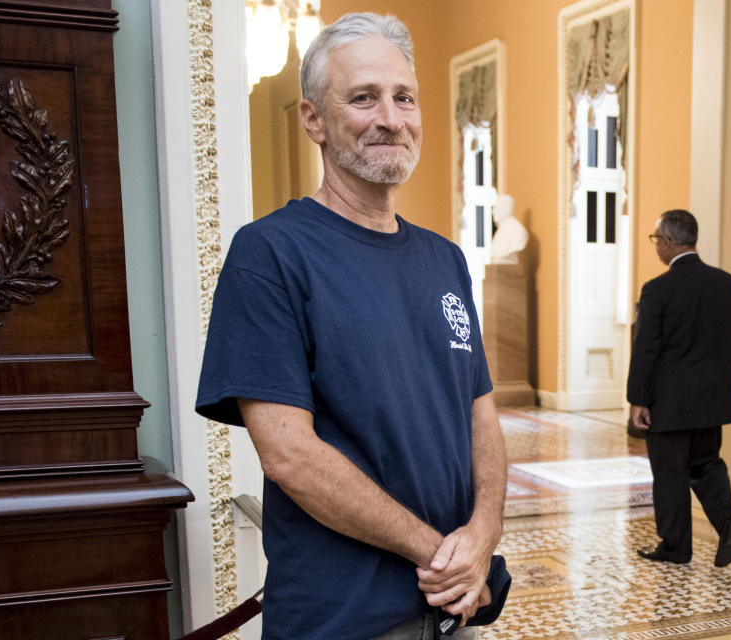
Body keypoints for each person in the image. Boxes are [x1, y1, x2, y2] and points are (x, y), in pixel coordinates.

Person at [196, 13, 509, 640]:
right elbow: (290, 455)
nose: (390, 118)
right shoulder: (269, 254)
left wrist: (481, 536)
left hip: (453, 610)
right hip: (343, 618)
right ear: (314, 119)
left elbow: (481, 416)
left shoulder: (445, 258)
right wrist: (437, 553)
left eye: (404, 98)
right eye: (363, 98)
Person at [627, 209, 731, 567]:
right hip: (712, 400)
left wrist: (637, 400)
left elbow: (646, 348)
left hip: (670, 403)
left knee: (670, 474)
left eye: (656, 240)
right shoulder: (725, 283)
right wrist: (725, 388)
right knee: (706, 464)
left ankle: (676, 547)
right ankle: (729, 521)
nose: (656, 247)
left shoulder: (658, 289)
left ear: (667, 241)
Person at [489, 194, 528, 264]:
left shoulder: (518, 231)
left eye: (496, 208)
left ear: (506, 209)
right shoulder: (500, 230)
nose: (493, 212)